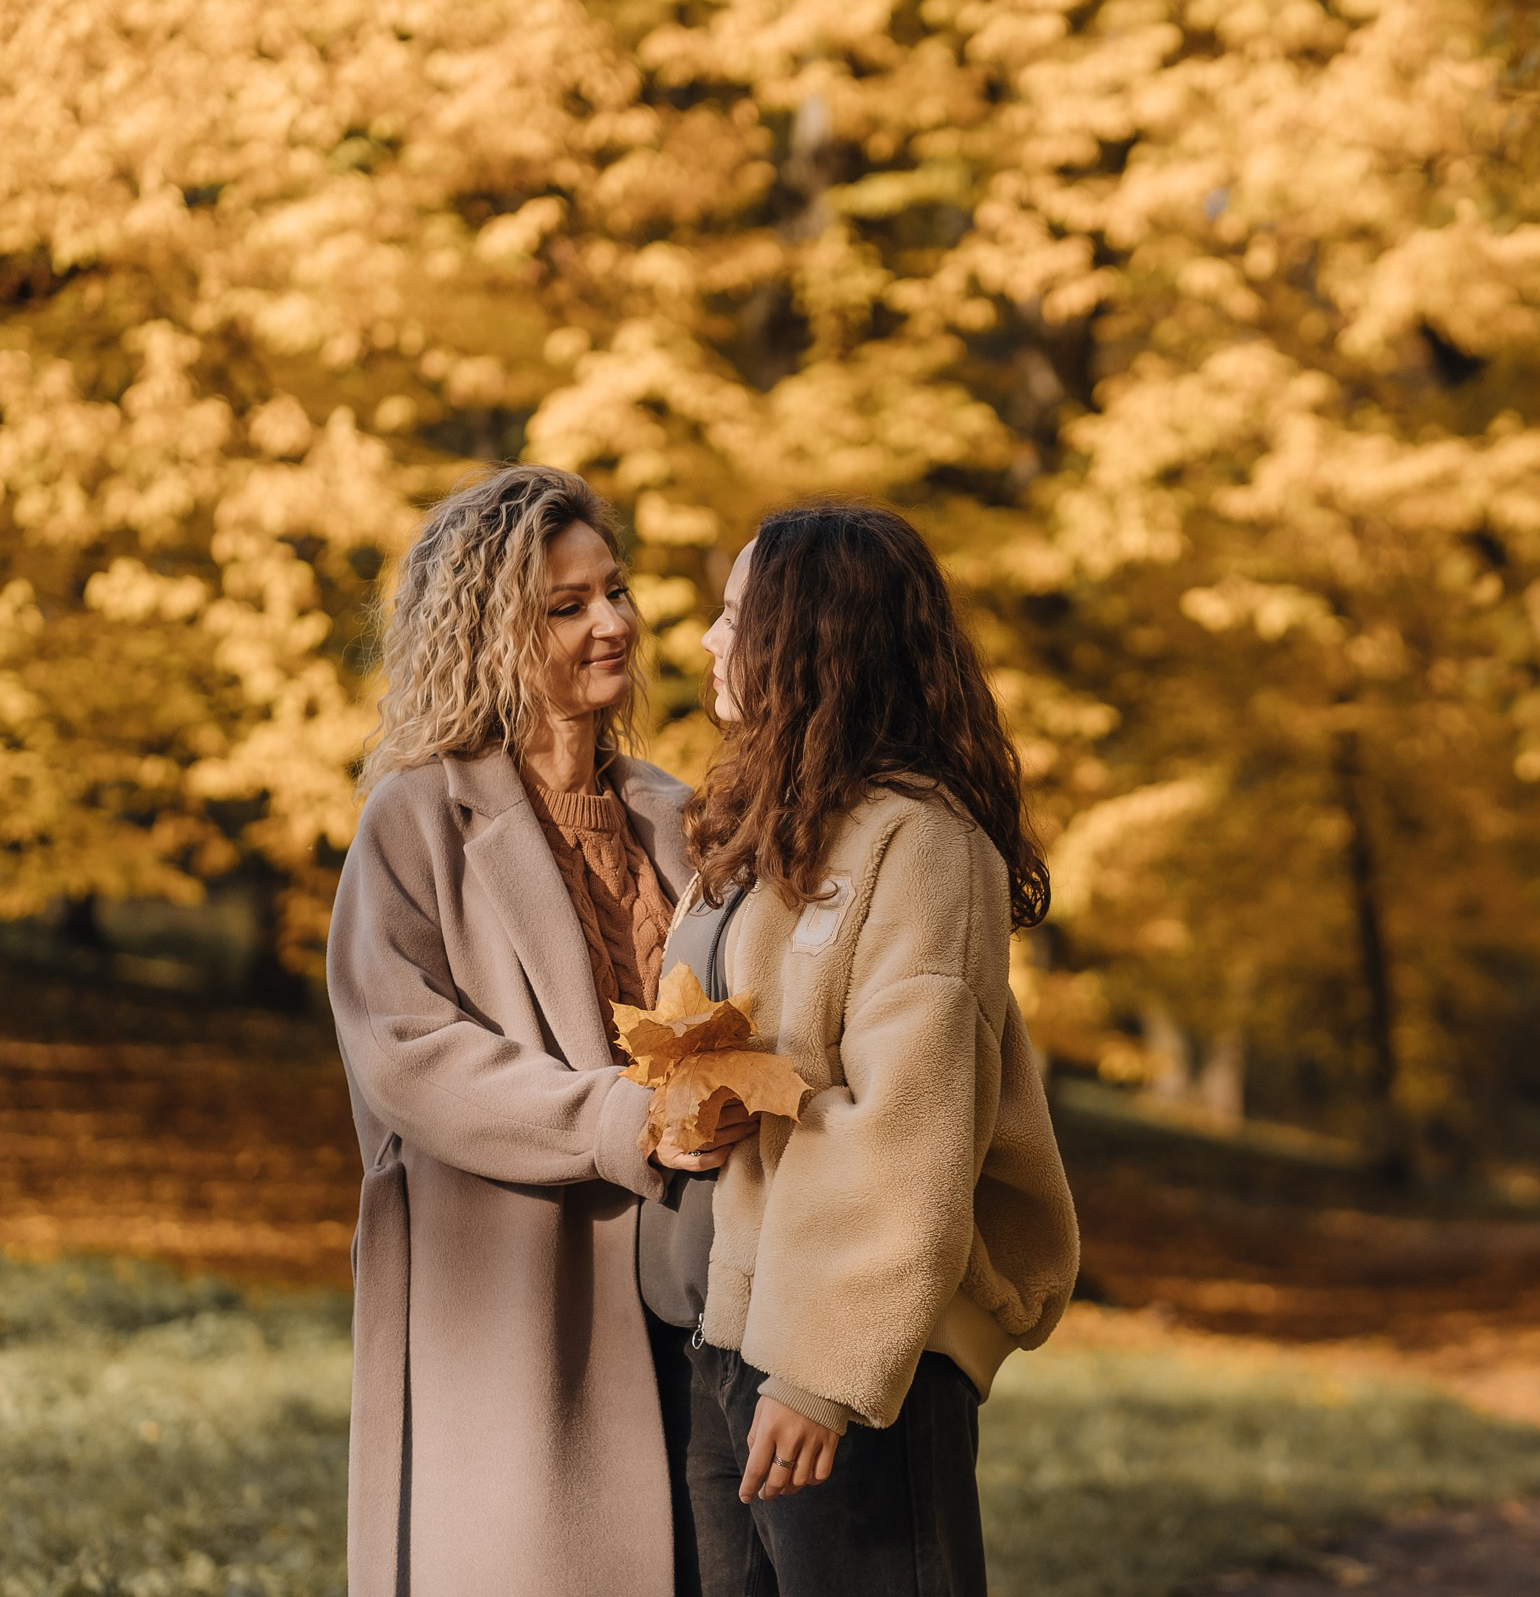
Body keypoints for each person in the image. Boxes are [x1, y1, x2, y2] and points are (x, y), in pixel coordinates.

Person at [329, 464, 751, 1597]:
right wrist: (620, 1119)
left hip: (696, 1286)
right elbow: (408, 1052)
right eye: (566, 607)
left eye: (611, 591)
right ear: (489, 632)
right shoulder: (414, 817)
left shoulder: (678, 812)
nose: (611, 622)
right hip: (516, 1294)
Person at [645, 501, 1081, 1597]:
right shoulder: (755, 831)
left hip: (849, 1361)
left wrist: (822, 1374)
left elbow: (907, 1129)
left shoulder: (922, 844)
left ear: (809, 638)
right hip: (725, 1334)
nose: (706, 637)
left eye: (735, 613)